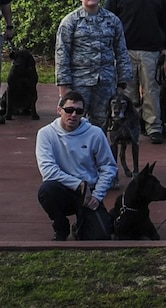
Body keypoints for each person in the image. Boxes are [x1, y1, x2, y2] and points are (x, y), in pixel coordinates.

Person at [106, 0, 166, 143]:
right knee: (128, 92)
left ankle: (153, 128)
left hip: (151, 51)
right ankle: (129, 125)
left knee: (152, 91)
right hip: (124, 51)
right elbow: (108, 21)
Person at [35, 91, 119, 241]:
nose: (73, 115)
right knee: (46, 190)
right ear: (59, 110)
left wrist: (97, 196)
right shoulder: (45, 134)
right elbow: (48, 171)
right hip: (63, 189)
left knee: (101, 236)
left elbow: (108, 167)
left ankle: (81, 224)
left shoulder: (95, 133)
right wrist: (79, 185)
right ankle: (61, 227)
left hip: (89, 193)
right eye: (69, 110)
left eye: (79, 111)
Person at [55, 0, 132, 117]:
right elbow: (62, 53)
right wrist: (63, 85)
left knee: (101, 123)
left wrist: (122, 81)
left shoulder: (112, 20)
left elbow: (121, 51)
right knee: (74, 121)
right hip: (79, 81)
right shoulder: (70, 21)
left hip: (105, 82)